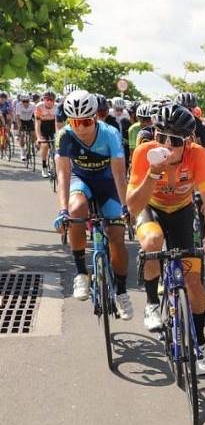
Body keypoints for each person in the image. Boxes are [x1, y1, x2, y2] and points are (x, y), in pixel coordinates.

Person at [127, 105, 205, 375]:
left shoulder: (197, 155)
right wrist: (153, 172)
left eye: (175, 141)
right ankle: (152, 304)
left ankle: (200, 342)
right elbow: (133, 206)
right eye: (161, 136)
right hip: (151, 208)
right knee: (153, 241)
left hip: (182, 211)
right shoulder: (145, 152)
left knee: (193, 280)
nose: (166, 144)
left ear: (188, 141)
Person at [51, 90, 132, 319]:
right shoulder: (65, 136)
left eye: (86, 122)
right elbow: (64, 174)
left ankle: (122, 292)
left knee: (116, 234)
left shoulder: (110, 134)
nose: (80, 128)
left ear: (96, 117)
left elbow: (119, 175)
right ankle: (81, 273)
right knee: (76, 211)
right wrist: (63, 210)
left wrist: (126, 208)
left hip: (108, 184)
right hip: (81, 180)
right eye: (74, 122)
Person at [34, 91, 59, 174]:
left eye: (51, 100)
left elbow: (58, 124)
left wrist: (58, 136)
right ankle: (44, 165)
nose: (49, 101)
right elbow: (37, 123)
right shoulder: (39, 107)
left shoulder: (57, 107)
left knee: (57, 144)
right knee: (44, 145)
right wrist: (38, 137)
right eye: (47, 99)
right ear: (43, 100)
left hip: (53, 125)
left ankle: (55, 164)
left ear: (54, 100)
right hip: (42, 126)